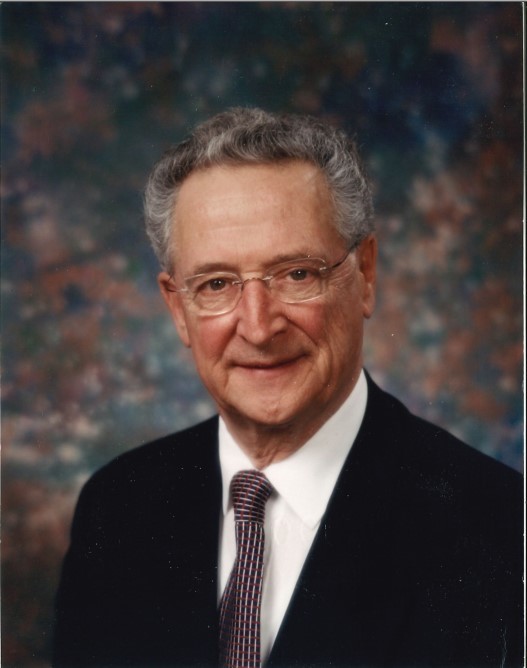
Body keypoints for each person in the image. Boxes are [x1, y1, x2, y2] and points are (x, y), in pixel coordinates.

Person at [53, 108, 523, 668]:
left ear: (365, 274)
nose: (258, 326)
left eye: (297, 273)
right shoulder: (116, 508)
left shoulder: (498, 527)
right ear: (177, 308)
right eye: (217, 283)